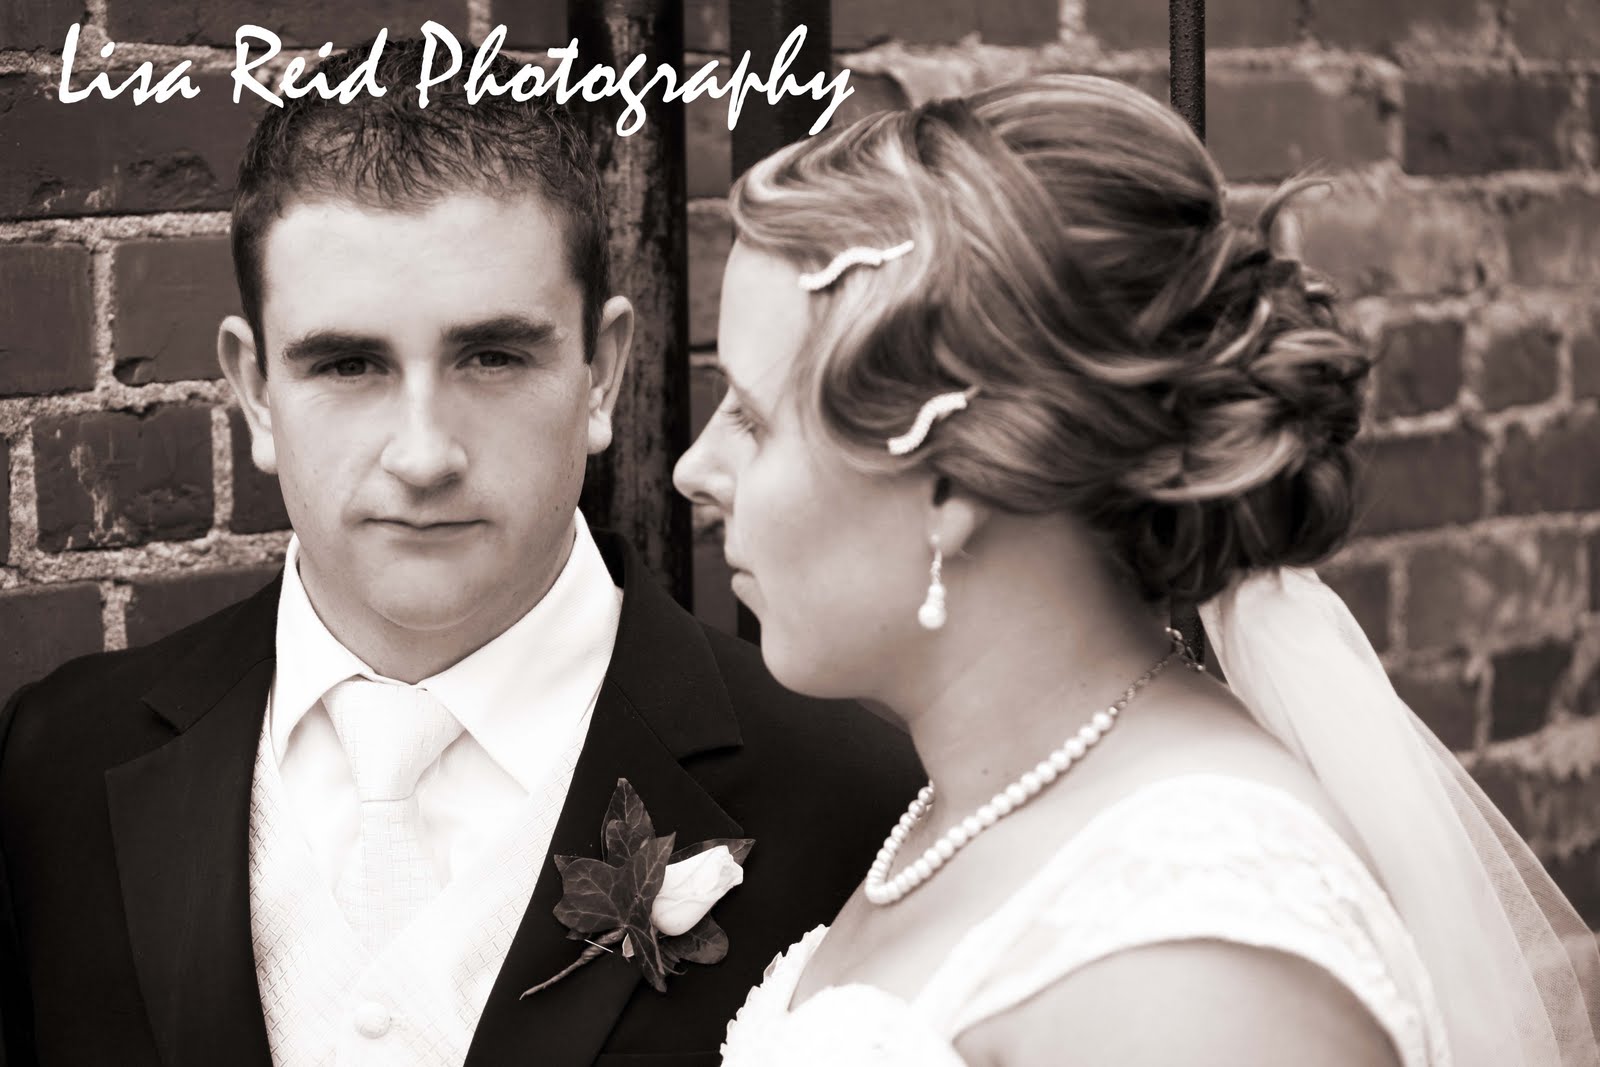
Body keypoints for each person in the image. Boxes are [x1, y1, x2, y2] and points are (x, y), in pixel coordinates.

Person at [0, 38, 921, 1067]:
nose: (424, 454)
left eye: (492, 356)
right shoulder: (55, 764)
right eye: (348, 364)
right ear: (255, 391)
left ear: (602, 373)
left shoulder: (853, 796)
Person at [675, 74, 1600, 1066]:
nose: (694, 469)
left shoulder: (1198, 967)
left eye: (754, 418)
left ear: (951, 482)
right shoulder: (971, 796)